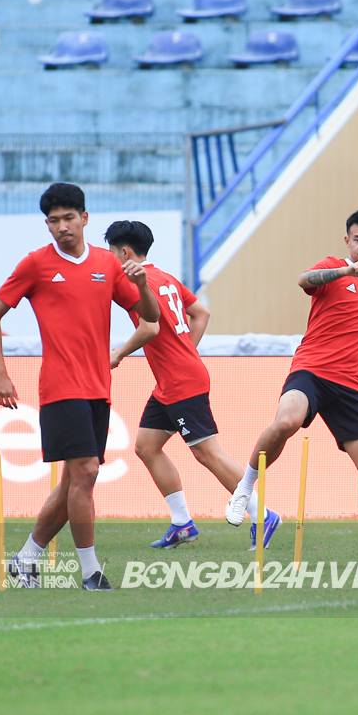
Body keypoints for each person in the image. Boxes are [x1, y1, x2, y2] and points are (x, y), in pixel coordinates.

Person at [0, 183, 160, 591]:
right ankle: (91, 572)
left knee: (74, 483)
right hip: (61, 387)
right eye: (53, 220)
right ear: (47, 224)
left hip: (99, 386)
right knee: (86, 472)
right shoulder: (36, 264)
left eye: (68, 218)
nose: (62, 227)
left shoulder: (107, 264)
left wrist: (144, 284)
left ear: (85, 217)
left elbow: (149, 318)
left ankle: (24, 559)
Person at [225, 210, 358, 569]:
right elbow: (304, 279)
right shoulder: (332, 268)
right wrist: (345, 271)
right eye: (357, 239)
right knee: (286, 421)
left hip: (349, 386)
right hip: (311, 370)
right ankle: (244, 490)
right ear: (347, 242)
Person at [105, 220, 279, 551]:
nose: (111, 259)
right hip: (173, 379)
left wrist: (119, 353)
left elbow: (150, 328)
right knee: (146, 445)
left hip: (181, 380)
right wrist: (187, 350)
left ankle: (262, 514)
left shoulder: (135, 283)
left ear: (124, 252)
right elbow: (201, 313)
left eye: (112, 252)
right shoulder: (166, 278)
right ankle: (182, 523)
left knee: (207, 452)